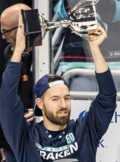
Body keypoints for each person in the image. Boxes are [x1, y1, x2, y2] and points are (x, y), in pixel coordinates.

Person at [0, 11, 117, 162]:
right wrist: (18, 51)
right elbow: (7, 100)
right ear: (39, 103)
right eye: (55, 99)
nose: (63, 105)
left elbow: (107, 97)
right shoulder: (25, 137)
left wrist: (94, 48)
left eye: (66, 98)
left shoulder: (85, 130)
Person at [0, 3, 34, 162]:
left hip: (40, 141)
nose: (3, 36)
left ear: (21, 29)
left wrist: (38, 111)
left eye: (5, 31)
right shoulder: (6, 55)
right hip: (11, 144)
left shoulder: (47, 55)